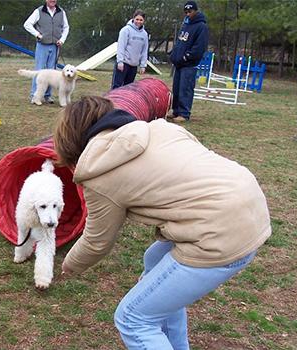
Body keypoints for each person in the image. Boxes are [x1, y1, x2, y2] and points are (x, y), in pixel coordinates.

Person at [53, 96, 271, 349]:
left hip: (219, 233)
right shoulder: (161, 127)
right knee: (155, 259)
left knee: (133, 319)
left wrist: (69, 265)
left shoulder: (98, 173)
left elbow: (96, 242)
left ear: (71, 142)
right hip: (251, 206)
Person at [169, 1, 209, 122]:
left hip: (189, 64)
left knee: (185, 89)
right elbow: (181, 42)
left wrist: (186, 57)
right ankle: (176, 111)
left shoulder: (201, 26)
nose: (187, 14)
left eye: (190, 12)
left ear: (196, 11)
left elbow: (199, 47)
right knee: (176, 88)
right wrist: (174, 54)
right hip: (179, 64)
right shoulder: (185, 25)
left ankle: (184, 113)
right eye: (185, 12)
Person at [23, 0, 70, 104]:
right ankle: (34, 96)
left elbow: (66, 27)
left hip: (55, 45)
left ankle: (48, 96)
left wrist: (62, 40)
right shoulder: (39, 11)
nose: (52, 0)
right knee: (39, 70)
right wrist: (37, 34)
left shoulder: (61, 12)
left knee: (52, 71)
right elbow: (27, 24)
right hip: (42, 45)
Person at [111, 10, 149, 90]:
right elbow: (121, 46)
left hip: (133, 65)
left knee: (128, 89)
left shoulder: (144, 34)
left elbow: (144, 50)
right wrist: (120, 61)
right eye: (137, 19)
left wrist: (143, 65)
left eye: (141, 20)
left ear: (144, 21)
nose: (139, 21)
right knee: (116, 87)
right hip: (124, 63)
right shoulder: (126, 30)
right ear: (133, 19)